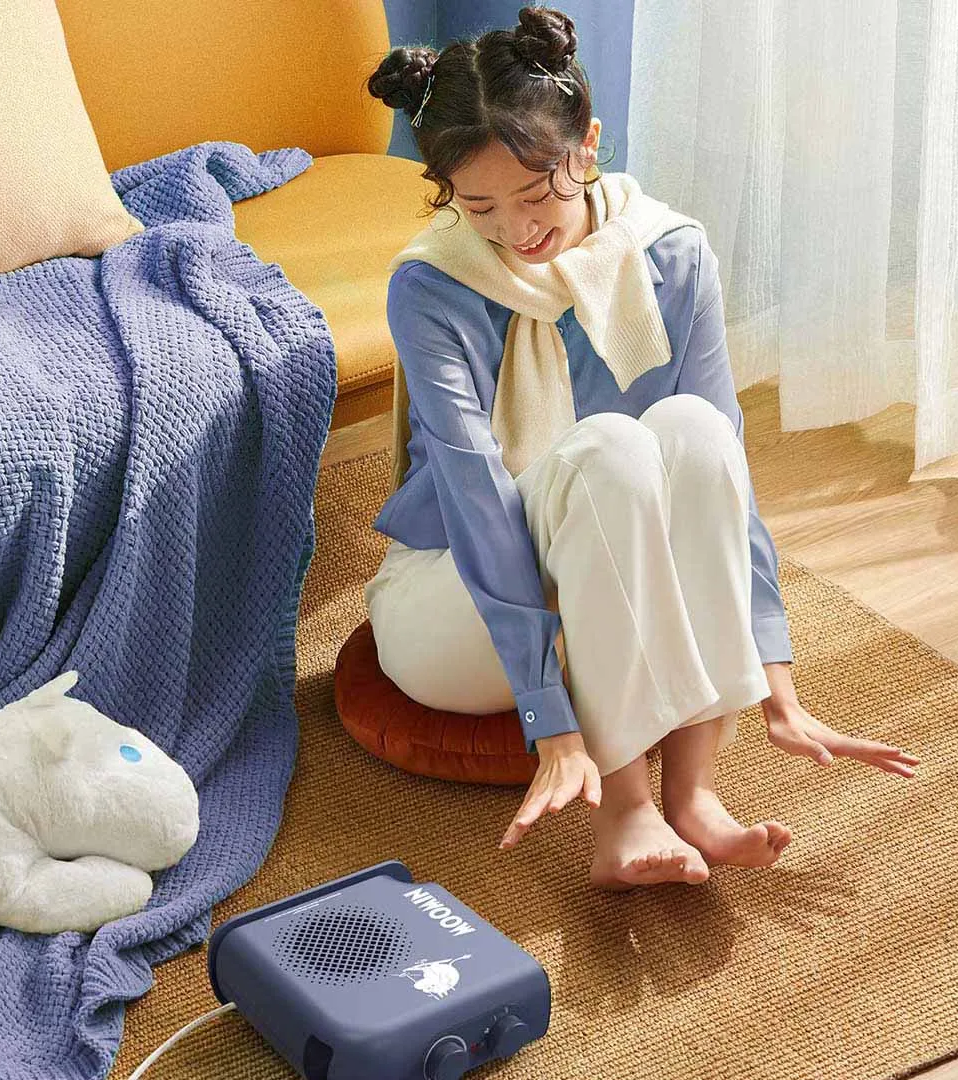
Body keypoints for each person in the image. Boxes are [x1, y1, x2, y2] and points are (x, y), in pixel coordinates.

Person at [363, 6, 920, 890]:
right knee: (611, 449)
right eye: (479, 206)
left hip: (626, 590)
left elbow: (723, 482)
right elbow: (474, 503)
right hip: (456, 606)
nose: (516, 230)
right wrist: (551, 720)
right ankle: (625, 810)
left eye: (536, 193)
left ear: (586, 148)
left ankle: (693, 794)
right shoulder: (431, 287)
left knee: (693, 430)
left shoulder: (672, 254)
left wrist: (776, 676)